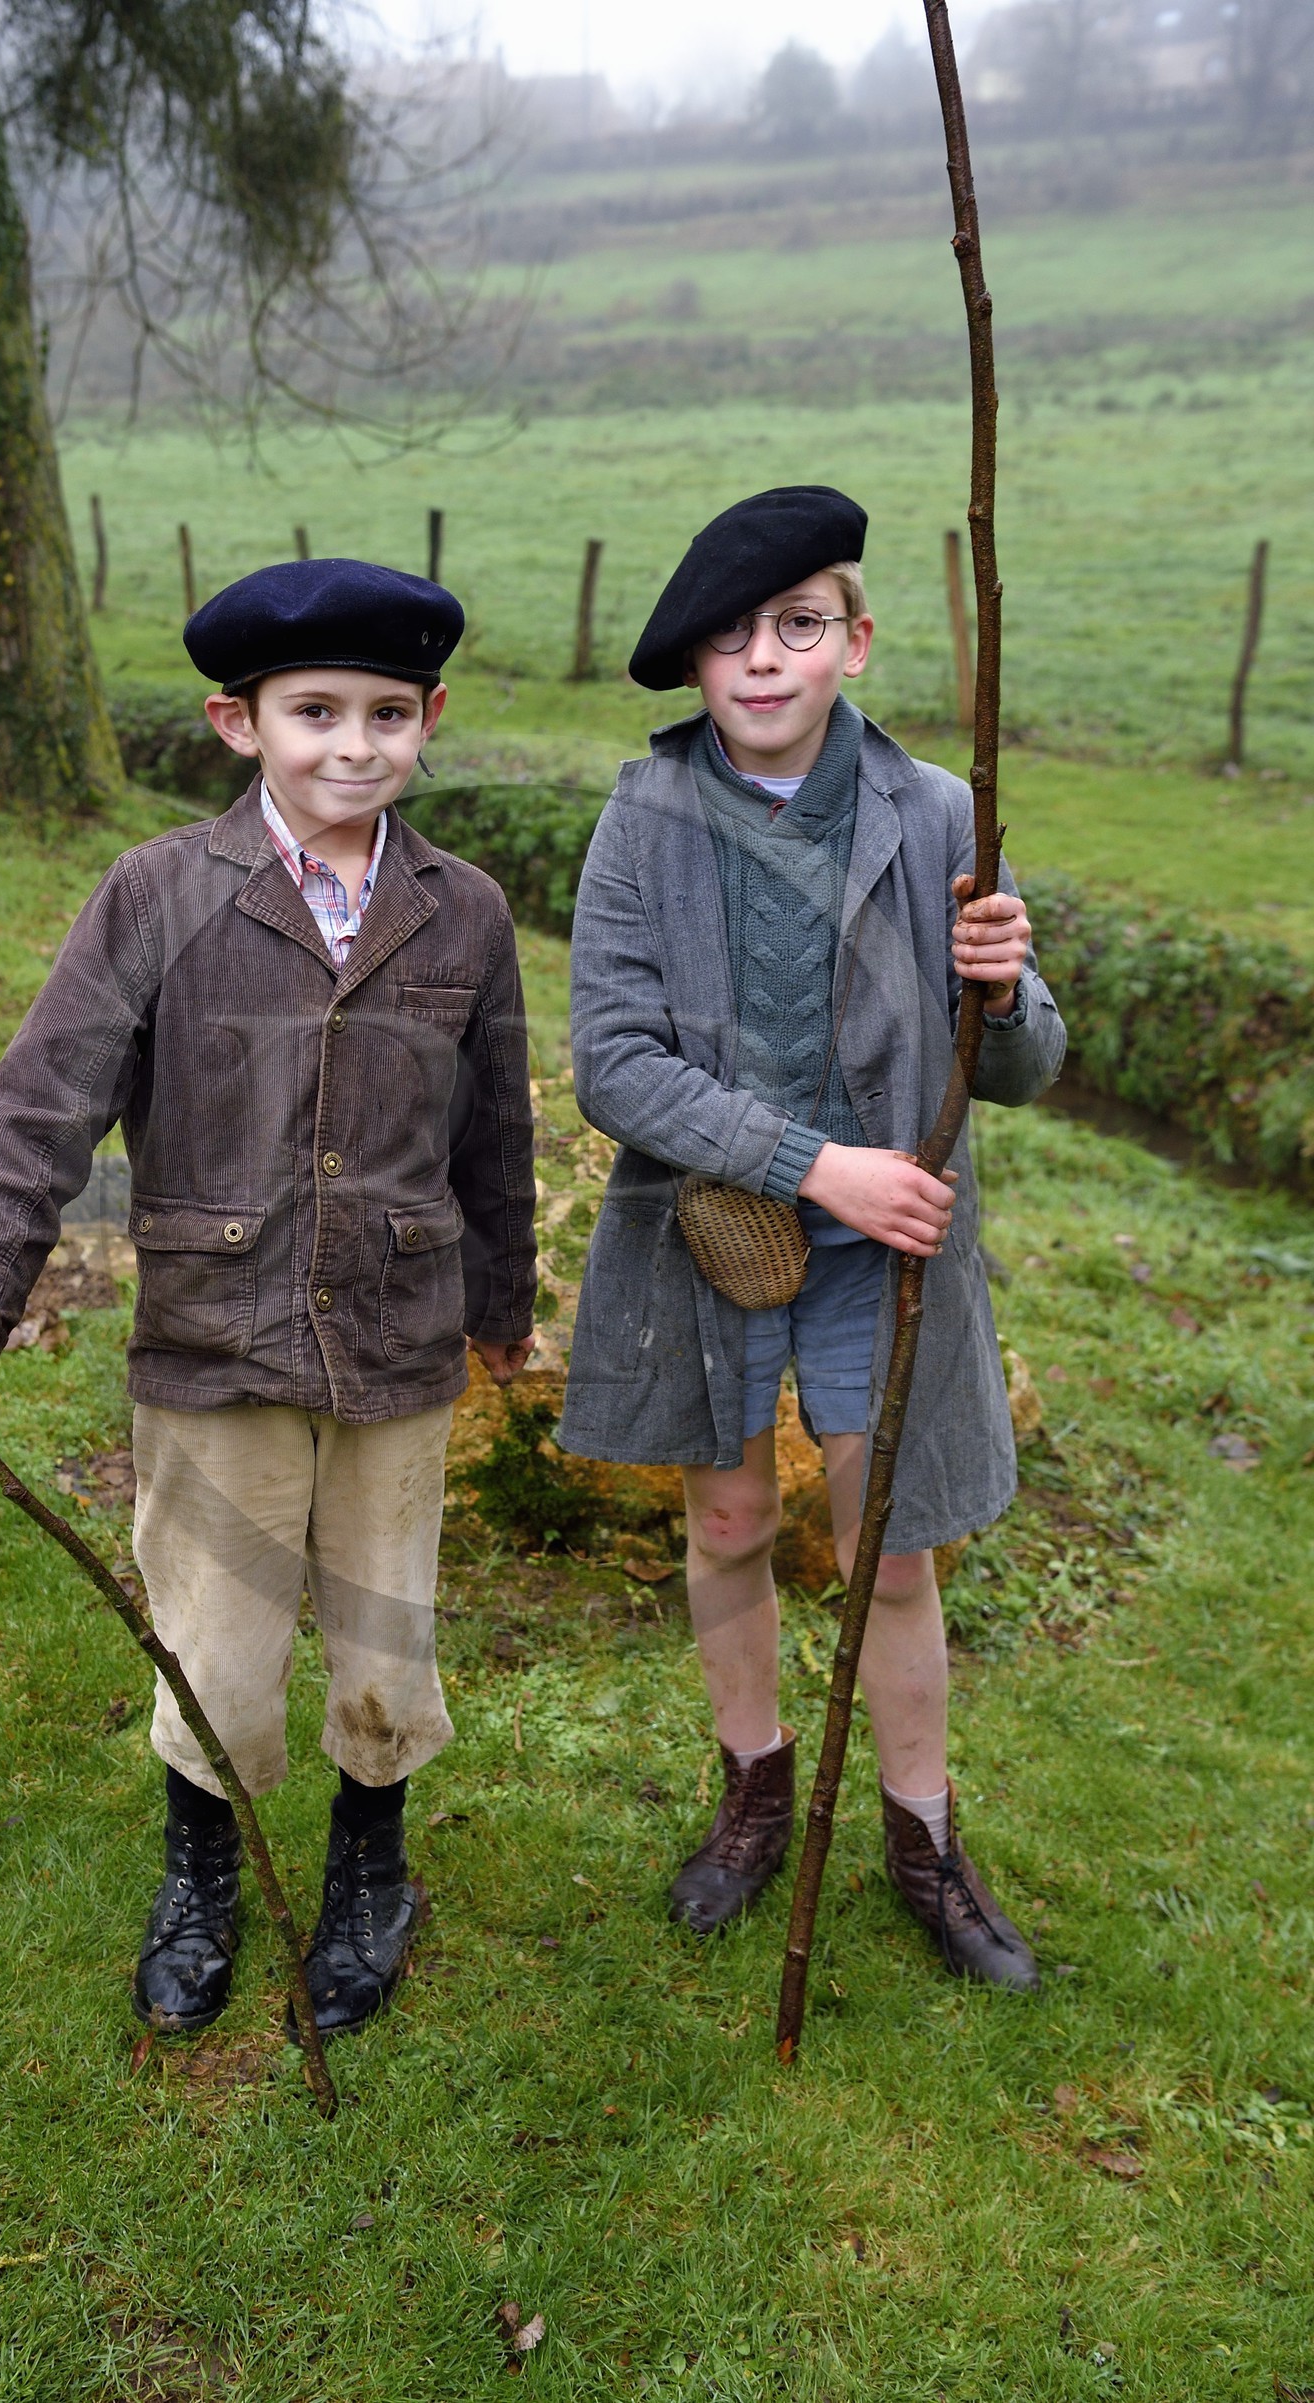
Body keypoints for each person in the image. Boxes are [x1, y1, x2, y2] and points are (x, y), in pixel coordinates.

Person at [0, 558, 537, 2039]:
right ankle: (202, 1870)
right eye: (316, 713)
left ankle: (371, 1868)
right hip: (215, 1344)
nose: (355, 745)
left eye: (389, 715)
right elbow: (41, 1106)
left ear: (432, 720)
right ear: (239, 723)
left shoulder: (463, 913)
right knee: (215, 1631)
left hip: (402, 1345)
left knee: (384, 1628)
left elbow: (495, 1132)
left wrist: (503, 1304)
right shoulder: (157, 895)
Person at [558, 486, 1065, 1988]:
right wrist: (814, 1161)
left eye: (797, 628)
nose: (764, 662)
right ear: (698, 672)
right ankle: (754, 1792)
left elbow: (1027, 1070)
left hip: (886, 1256)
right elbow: (615, 1065)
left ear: (855, 640)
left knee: (893, 1553)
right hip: (704, 1237)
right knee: (727, 1524)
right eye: (731, 640)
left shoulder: (940, 814)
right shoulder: (643, 821)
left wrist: (1003, 986)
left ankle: (923, 1836)